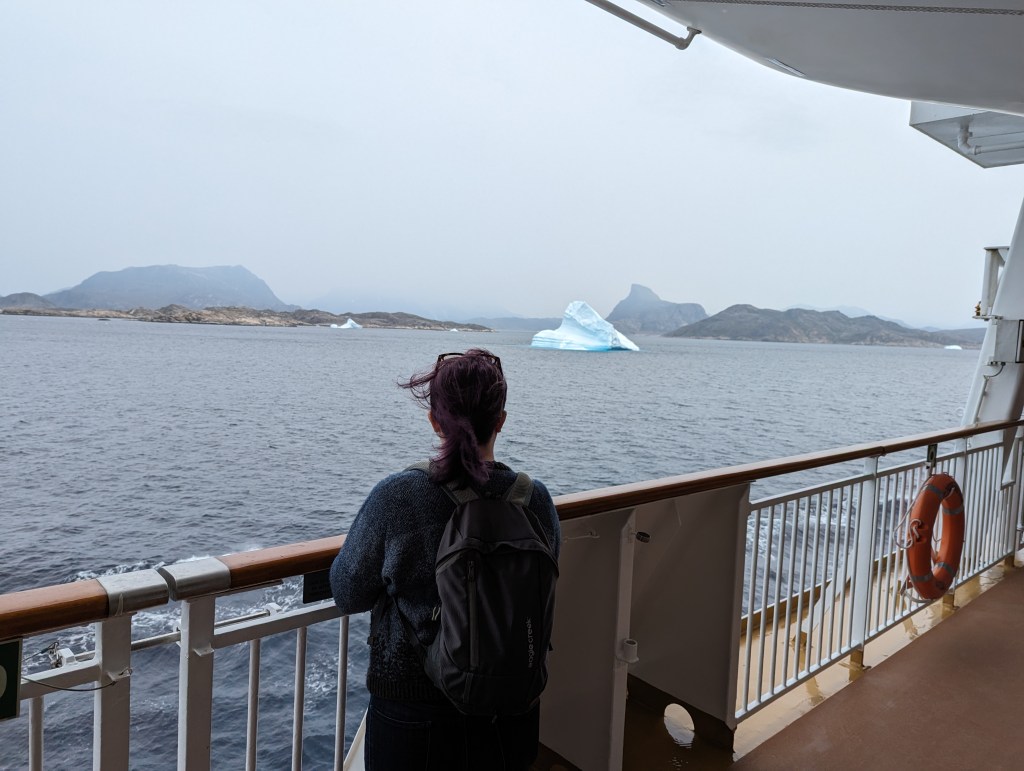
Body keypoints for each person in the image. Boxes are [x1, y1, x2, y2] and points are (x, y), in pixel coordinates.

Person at [330, 348, 561, 771]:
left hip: (414, 712)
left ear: (435, 421)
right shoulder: (536, 499)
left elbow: (347, 592)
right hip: (512, 707)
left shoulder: (398, 495)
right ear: (500, 420)